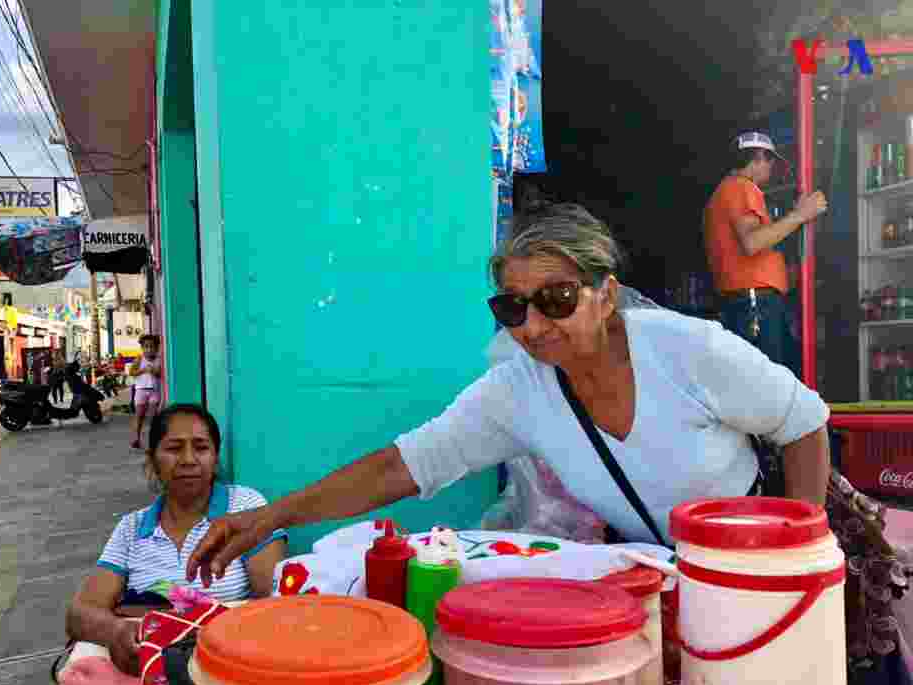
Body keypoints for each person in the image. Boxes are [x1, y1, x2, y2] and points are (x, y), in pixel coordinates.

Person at [186, 203, 831, 586]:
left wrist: (796, 553)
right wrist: (274, 517)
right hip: (666, 573)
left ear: (605, 294)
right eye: (513, 308)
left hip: (762, 558)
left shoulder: (687, 350)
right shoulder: (518, 392)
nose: (534, 324)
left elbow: (803, 423)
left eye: (555, 298)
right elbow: (405, 466)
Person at [39, 403, 287, 685]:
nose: (188, 459)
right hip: (135, 667)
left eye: (201, 447)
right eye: (174, 448)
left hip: (209, 673)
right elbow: (80, 612)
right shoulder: (132, 528)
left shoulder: (244, 507)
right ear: (153, 459)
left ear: (215, 457)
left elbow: (275, 598)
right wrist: (115, 632)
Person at [704, 130, 827, 367]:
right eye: (771, 161)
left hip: (745, 303)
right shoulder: (742, 187)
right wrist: (801, 215)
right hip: (754, 304)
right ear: (759, 156)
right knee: (767, 388)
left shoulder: (723, 192)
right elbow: (752, 242)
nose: (772, 169)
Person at [129, 335, 163, 450]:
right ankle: (136, 439)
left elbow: (160, 375)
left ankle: (152, 441)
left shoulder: (159, 359)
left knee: (153, 417)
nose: (149, 349)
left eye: (152, 347)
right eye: (146, 347)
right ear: (142, 348)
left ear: (157, 348)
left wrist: (154, 371)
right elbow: (131, 372)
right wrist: (143, 370)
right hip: (141, 391)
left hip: (154, 391)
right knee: (139, 416)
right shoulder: (139, 359)